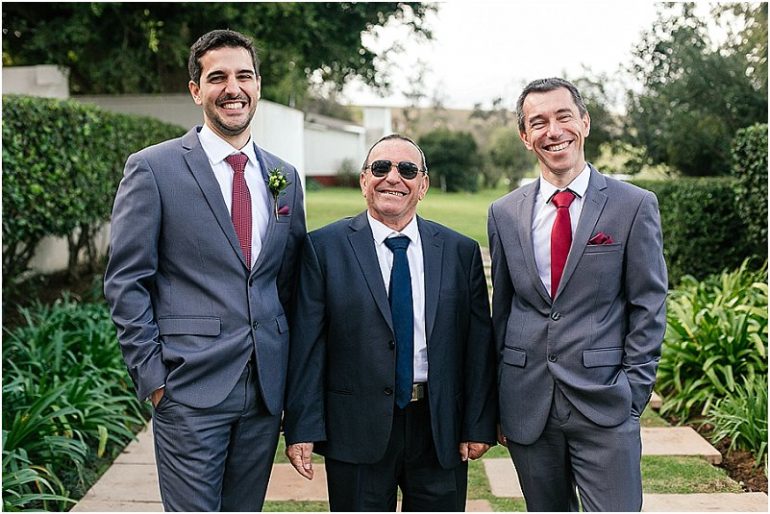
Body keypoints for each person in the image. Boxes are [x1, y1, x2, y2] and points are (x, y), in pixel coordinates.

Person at [103, 29, 306, 511]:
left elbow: (290, 284)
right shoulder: (153, 169)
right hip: (188, 388)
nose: (233, 88)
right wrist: (155, 379)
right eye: (217, 78)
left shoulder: (284, 178)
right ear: (196, 90)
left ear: (258, 85)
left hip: (264, 393)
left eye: (244, 76)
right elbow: (126, 282)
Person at [283, 134, 497, 511]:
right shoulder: (323, 248)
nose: (393, 178)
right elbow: (308, 345)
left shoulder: (459, 251)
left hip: (439, 427)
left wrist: (477, 423)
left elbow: (477, 346)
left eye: (408, 170)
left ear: (423, 185)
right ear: (364, 180)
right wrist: (302, 426)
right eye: (381, 167)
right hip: (354, 427)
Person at [487, 77, 667, 512]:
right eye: (538, 122)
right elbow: (503, 310)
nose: (553, 131)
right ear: (525, 136)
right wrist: (499, 399)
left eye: (563, 116)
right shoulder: (504, 213)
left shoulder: (633, 205)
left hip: (605, 401)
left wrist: (633, 393)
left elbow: (649, 304)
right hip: (528, 403)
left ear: (584, 123)